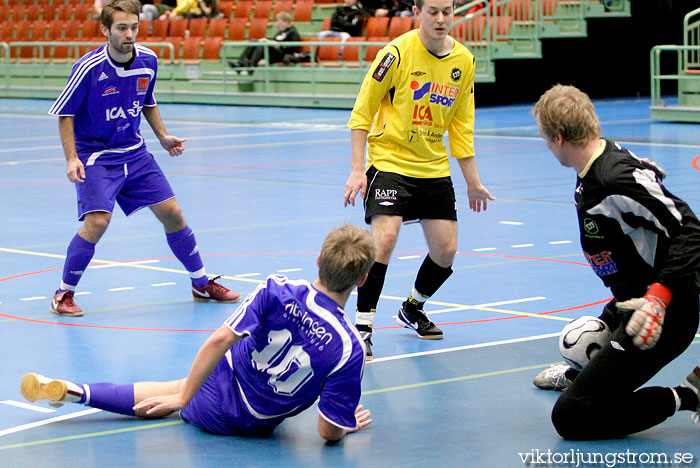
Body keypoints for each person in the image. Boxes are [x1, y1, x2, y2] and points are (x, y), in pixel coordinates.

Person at [21, 223, 376, 441]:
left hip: (221, 381)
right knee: (176, 399)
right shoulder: (349, 348)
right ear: (361, 279)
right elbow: (327, 431)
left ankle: (78, 391)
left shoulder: (277, 287)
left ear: (318, 259)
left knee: (173, 390)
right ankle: (168, 399)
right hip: (247, 421)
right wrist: (346, 426)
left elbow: (221, 339)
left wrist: (185, 395)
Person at [48, 0, 240, 317]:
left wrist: (162, 136)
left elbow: (147, 101)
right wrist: (72, 159)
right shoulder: (88, 68)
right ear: (105, 29)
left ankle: (200, 282)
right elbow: (65, 114)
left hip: (135, 153)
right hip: (96, 154)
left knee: (173, 213)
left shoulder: (149, 59)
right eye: (122, 28)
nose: (130, 34)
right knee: (97, 222)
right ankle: (63, 293)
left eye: (134, 27)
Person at [531, 84, 700, 440]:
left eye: (546, 140)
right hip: (628, 299)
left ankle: (691, 395)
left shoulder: (613, 179)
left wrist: (659, 297)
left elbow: (690, 230)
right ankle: (583, 372)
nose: (546, 147)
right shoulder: (597, 162)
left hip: (660, 313)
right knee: (578, 343)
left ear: (559, 137)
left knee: (572, 417)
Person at [343, 0, 494, 360]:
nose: (441, 19)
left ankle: (412, 307)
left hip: (433, 167)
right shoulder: (395, 54)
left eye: (447, 11)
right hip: (389, 160)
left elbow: (461, 126)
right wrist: (356, 168)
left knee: (445, 251)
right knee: (385, 238)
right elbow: (362, 112)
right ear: (417, 12)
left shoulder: (464, 62)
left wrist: (472, 181)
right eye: (433, 11)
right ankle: (362, 327)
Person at [227, 12, 300, 74]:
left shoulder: (293, 32)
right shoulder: (280, 32)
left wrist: (277, 45)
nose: (277, 25)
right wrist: (268, 41)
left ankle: (252, 65)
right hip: (274, 51)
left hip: (282, 55)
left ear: (287, 21)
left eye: (279, 23)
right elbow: (274, 41)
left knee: (263, 46)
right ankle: (240, 63)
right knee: (254, 41)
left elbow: (294, 48)